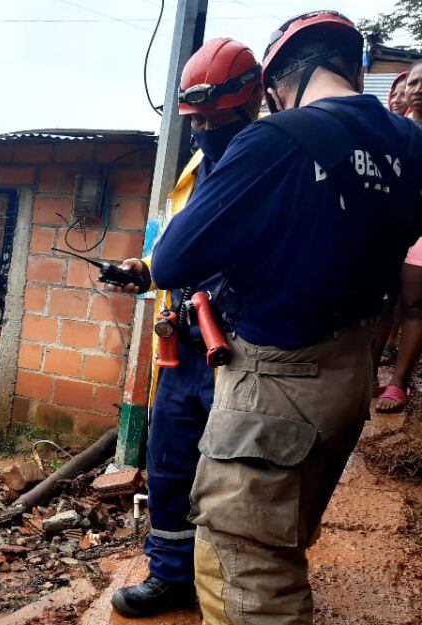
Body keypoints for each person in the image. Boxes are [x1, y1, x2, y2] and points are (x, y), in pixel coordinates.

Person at [145, 11, 422, 624]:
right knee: (281, 536)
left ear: (273, 88)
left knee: (247, 570)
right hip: (350, 373)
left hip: (276, 381)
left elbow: (171, 261)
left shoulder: (275, 141)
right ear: (354, 67)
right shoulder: (410, 145)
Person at [107, 38, 264, 618]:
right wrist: (143, 269)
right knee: (170, 464)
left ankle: (235, 592)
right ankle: (172, 577)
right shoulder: (199, 163)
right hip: (184, 347)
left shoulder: (269, 161)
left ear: (247, 101)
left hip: (245, 349)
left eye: (208, 116)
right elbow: (185, 242)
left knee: (238, 479)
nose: (198, 127)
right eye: (191, 116)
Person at [375, 60, 422, 412]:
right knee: (381, 301)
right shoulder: (391, 130)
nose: (418, 89)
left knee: (415, 304)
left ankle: (399, 381)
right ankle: (367, 375)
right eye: (414, 82)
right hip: (390, 227)